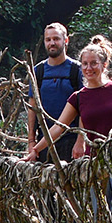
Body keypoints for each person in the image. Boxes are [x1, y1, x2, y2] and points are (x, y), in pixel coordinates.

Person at [25, 35, 112, 223]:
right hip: (95, 161)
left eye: (93, 63)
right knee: (96, 212)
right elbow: (57, 128)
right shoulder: (79, 97)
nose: (89, 68)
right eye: (85, 64)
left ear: (104, 64)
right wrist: (35, 150)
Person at [26, 22, 83, 163]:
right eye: (48, 39)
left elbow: (84, 108)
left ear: (66, 40)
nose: (52, 43)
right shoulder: (38, 71)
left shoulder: (77, 70)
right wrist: (31, 141)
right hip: (43, 141)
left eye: (56, 39)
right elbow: (32, 107)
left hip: (71, 140)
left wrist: (81, 141)